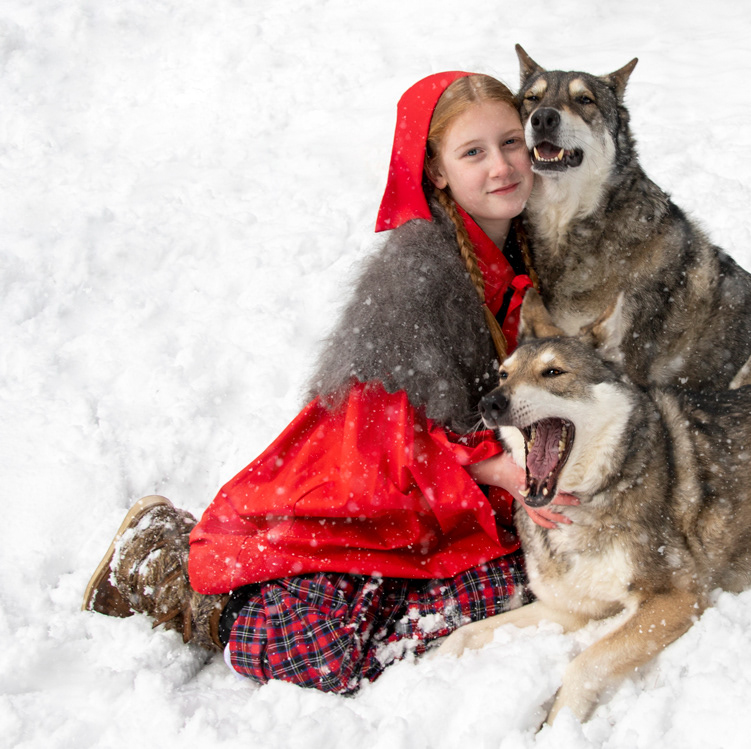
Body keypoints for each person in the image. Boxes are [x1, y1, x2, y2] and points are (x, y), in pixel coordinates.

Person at [83, 71, 571, 695]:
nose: (501, 166)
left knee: (530, 573)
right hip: (367, 483)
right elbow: (396, 427)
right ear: (437, 172)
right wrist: (503, 471)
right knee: (326, 653)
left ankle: (358, 591)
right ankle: (178, 578)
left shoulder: (536, 240)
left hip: (451, 488)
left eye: (510, 143)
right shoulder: (417, 273)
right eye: (473, 152)